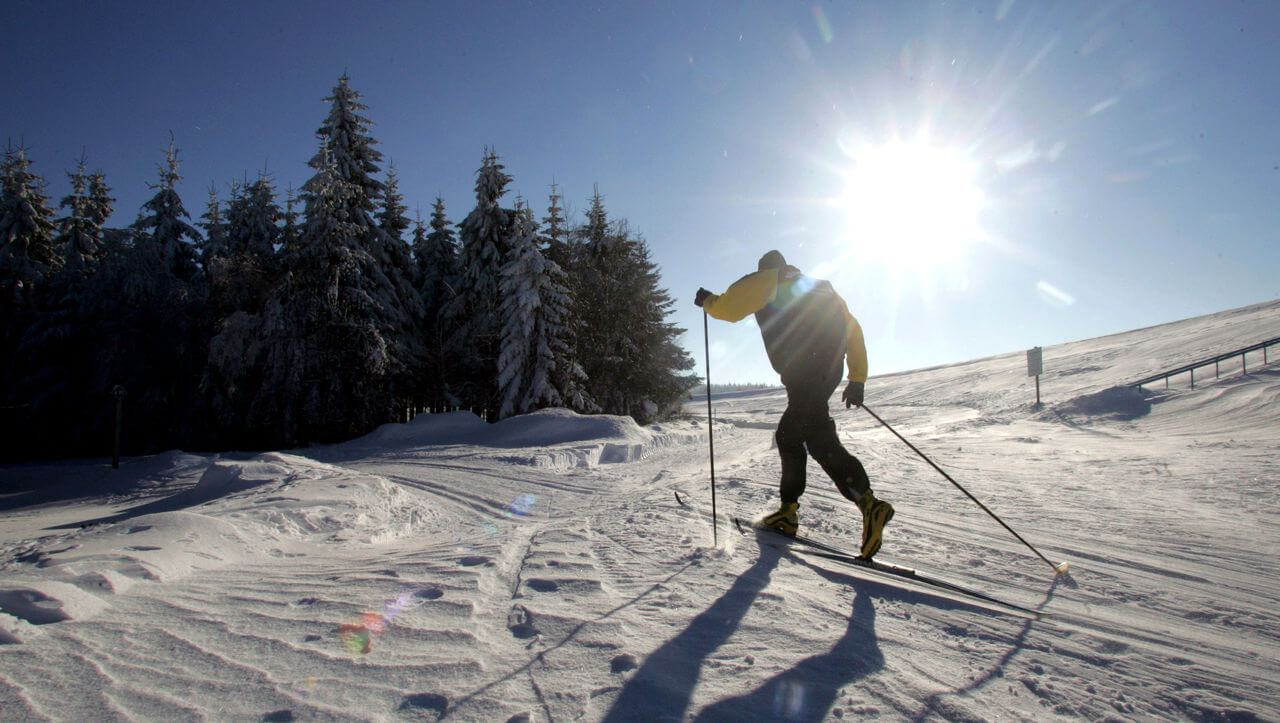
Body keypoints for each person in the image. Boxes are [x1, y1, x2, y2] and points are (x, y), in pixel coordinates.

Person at [695, 250, 894, 559]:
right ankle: (855, 506)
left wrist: (708, 301)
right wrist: (857, 379)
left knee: (789, 436)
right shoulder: (821, 287)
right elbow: (853, 331)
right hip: (828, 371)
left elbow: (730, 308)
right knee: (817, 438)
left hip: (805, 371)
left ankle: (806, 511)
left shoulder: (768, 280)